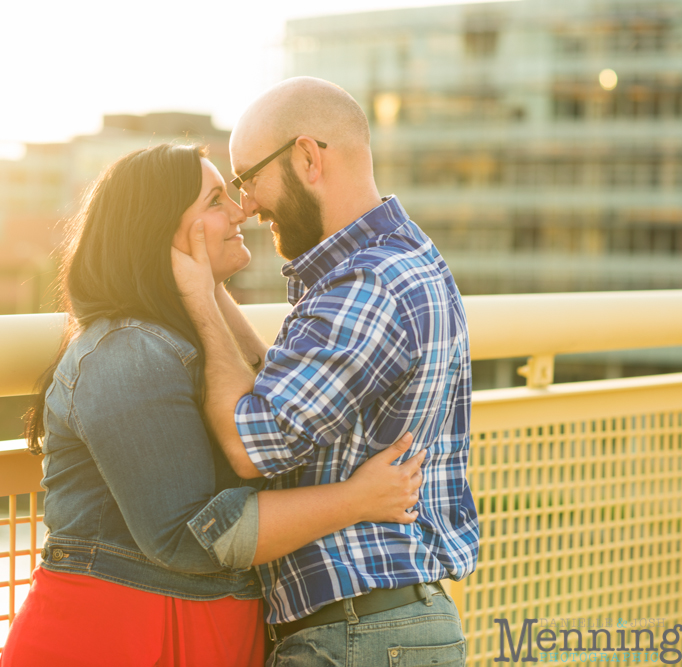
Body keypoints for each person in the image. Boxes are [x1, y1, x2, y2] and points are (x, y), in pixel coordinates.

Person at [0, 143, 428, 667]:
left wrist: (207, 292)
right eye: (216, 200)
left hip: (197, 628)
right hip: (120, 635)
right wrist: (356, 500)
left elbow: (270, 417)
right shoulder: (129, 352)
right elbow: (185, 538)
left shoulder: (187, 343)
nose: (242, 209)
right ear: (160, 229)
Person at [172, 77, 480, 666]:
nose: (246, 206)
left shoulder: (367, 285)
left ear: (308, 157)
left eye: (248, 179)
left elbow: (251, 439)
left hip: (357, 634)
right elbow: (288, 388)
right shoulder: (401, 261)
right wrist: (214, 288)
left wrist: (197, 302)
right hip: (383, 626)